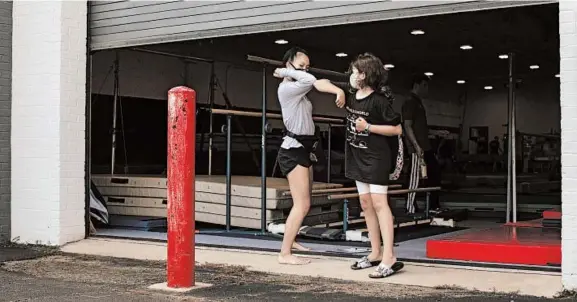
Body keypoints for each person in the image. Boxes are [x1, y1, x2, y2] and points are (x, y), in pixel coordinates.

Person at [329, 53, 404, 278]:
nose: (352, 75)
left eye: (356, 72)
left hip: (376, 158)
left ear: (366, 75)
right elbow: (320, 82)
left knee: (380, 203)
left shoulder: (379, 101)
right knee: (365, 203)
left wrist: (369, 127)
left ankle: (389, 256)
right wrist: (338, 91)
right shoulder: (351, 94)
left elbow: (397, 129)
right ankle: (375, 252)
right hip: (356, 156)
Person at [273, 47, 345, 265]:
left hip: (305, 148)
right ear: (289, 65)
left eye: (307, 66)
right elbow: (310, 79)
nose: (305, 69)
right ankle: (284, 253)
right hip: (292, 150)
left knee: (304, 201)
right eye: (300, 65)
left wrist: (338, 91)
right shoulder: (286, 89)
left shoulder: (298, 88)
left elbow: (316, 81)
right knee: (302, 204)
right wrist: (286, 72)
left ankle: (291, 239)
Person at [402, 74, 441, 214]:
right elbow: (407, 126)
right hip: (416, 148)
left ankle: (432, 206)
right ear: (417, 85)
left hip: (425, 146)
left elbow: (419, 127)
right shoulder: (410, 102)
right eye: (425, 85)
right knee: (414, 176)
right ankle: (410, 206)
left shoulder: (418, 103)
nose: (427, 89)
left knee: (434, 173)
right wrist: (416, 146)